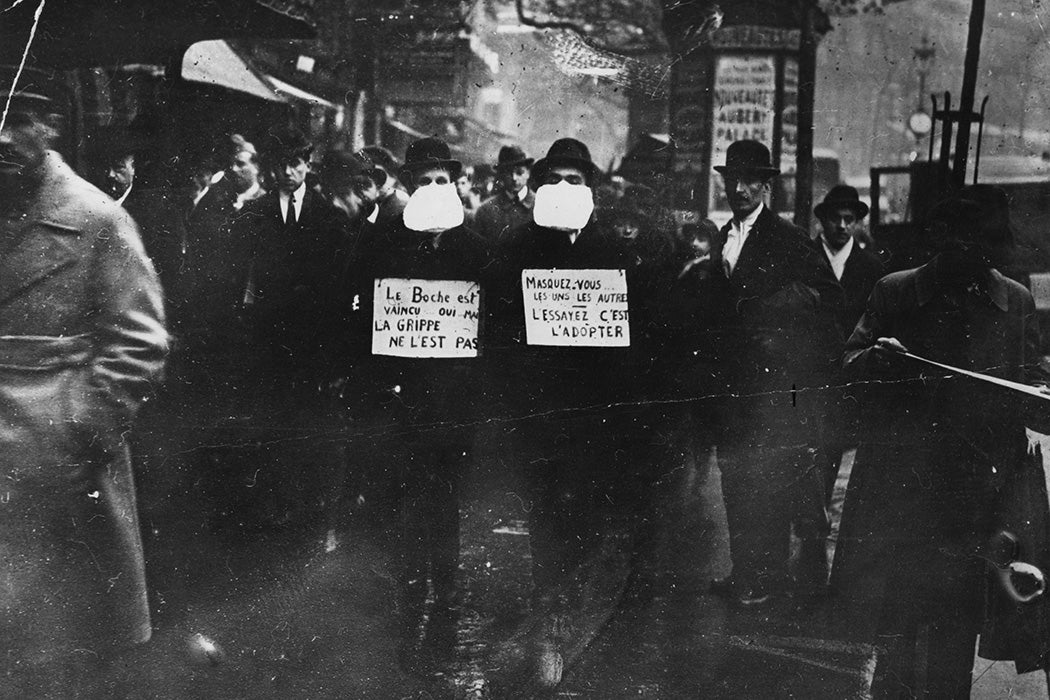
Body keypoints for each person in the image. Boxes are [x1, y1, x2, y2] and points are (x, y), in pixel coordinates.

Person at [830, 192, 1049, 697]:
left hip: (978, 497)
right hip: (905, 490)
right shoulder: (897, 292)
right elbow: (848, 365)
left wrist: (1042, 395)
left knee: (958, 628)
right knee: (897, 624)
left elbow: (1029, 386)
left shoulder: (1014, 300)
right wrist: (878, 360)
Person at [0, 66, 168, 694]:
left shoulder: (96, 219)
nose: (1, 136)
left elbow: (138, 343)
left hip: (57, 461)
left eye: (18, 120)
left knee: (58, 651)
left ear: (52, 127)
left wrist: (78, 430)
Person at [343, 136, 489, 668]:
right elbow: (357, 318)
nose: (432, 189)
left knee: (445, 500)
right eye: (423, 181)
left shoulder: (474, 250)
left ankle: (446, 594)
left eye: (441, 181)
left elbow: (491, 330)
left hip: (452, 401)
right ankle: (408, 598)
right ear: (409, 186)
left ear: (454, 186)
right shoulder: (383, 245)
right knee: (403, 500)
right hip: (398, 399)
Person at [490, 138, 639, 627]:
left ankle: (572, 581)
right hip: (539, 401)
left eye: (573, 180)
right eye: (553, 180)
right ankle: (548, 593)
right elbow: (500, 325)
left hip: (595, 405)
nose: (562, 188)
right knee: (544, 500)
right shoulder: (517, 245)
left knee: (589, 501)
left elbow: (635, 331)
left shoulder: (616, 249)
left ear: (589, 188)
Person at [707, 140, 844, 607]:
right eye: (732, 179)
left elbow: (824, 298)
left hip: (768, 384)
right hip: (730, 384)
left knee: (764, 480)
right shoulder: (722, 236)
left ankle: (763, 578)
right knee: (733, 476)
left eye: (750, 181)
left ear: (766, 187)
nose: (739, 189)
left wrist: (766, 316)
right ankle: (745, 570)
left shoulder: (787, 239)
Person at [229, 126, 351, 530]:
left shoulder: (330, 217)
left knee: (311, 428)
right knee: (271, 424)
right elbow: (241, 282)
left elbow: (337, 292)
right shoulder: (253, 215)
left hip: (313, 345)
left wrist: (334, 357)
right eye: (280, 163)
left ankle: (308, 513)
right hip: (268, 342)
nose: (288, 171)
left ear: (307, 164)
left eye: (295, 163)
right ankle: (274, 510)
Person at [813, 185, 884, 331]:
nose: (841, 226)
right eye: (835, 218)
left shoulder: (871, 266)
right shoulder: (806, 258)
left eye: (848, 219)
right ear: (823, 220)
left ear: (856, 222)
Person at [473, 145, 534, 243]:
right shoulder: (485, 211)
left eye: (519, 172)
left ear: (528, 173)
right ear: (501, 175)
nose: (514, 178)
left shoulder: (540, 206)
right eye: (509, 173)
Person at [358, 144, 410, 226]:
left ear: (392, 176)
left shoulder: (399, 200)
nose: (372, 182)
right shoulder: (375, 202)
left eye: (377, 176)